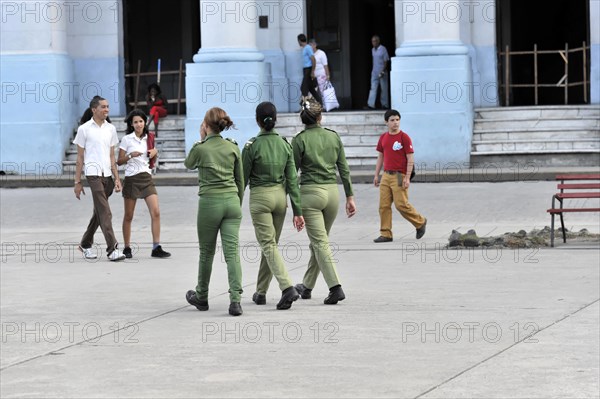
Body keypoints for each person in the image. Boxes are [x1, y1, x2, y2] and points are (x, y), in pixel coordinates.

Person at [292, 97, 357, 305]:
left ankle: (335, 287)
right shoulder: (333, 137)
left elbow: (292, 174)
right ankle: (307, 285)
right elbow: (344, 169)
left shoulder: (299, 140)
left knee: (320, 243)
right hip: (332, 195)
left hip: (310, 194)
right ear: (320, 117)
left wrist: (293, 203)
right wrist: (350, 196)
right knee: (320, 243)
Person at [242, 102, 305, 310]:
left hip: (260, 198)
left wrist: (234, 206)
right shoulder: (285, 145)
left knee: (268, 245)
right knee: (271, 247)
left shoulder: (251, 145)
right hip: (280, 198)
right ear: (275, 119)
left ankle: (287, 287)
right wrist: (298, 211)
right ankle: (260, 292)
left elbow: (241, 180)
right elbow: (293, 181)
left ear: (257, 120)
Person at [184, 107, 245, 317]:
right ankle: (235, 300)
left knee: (207, 252)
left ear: (206, 125)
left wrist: (201, 140)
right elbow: (240, 180)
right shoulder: (233, 147)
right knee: (232, 253)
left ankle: (202, 296)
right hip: (232, 202)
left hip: (210, 203)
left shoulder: (201, 148)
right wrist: (237, 202)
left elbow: (188, 163)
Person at [73, 96, 126, 261]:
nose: (107, 110)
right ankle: (112, 249)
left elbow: (112, 156)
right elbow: (80, 158)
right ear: (94, 109)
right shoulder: (84, 129)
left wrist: (117, 178)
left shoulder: (110, 129)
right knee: (105, 212)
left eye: (108, 106)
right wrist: (77, 182)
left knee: (99, 213)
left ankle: (85, 244)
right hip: (93, 174)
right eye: (103, 107)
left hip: (107, 176)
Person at [117, 110, 171, 259]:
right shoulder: (127, 139)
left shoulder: (150, 137)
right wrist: (130, 155)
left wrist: (155, 152)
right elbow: (119, 161)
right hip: (132, 179)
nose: (138, 124)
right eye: (135, 122)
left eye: (141, 121)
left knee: (156, 212)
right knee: (128, 216)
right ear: (131, 124)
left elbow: (152, 157)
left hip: (147, 178)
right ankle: (127, 248)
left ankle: (156, 247)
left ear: (145, 122)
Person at [373, 109, 427, 243]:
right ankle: (386, 234)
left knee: (401, 205)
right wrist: (376, 175)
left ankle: (420, 222)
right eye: (392, 120)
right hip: (386, 175)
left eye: (397, 120)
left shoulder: (404, 137)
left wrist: (407, 177)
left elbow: (410, 158)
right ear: (386, 122)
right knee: (383, 206)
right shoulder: (383, 138)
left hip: (399, 175)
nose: (395, 123)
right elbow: (380, 157)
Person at [297, 34, 322, 105]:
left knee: (303, 88)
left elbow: (313, 59)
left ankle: (304, 104)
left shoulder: (308, 48)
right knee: (310, 88)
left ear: (299, 40)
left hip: (308, 69)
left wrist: (312, 71)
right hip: (306, 69)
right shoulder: (305, 48)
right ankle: (320, 103)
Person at [366, 35, 390, 110]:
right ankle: (371, 104)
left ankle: (385, 104)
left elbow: (386, 60)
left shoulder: (383, 49)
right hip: (374, 72)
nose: (374, 43)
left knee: (383, 89)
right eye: (373, 41)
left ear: (378, 41)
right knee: (373, 88)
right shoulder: (373, 50)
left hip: (382, 72)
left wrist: (383, 70)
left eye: (375, 41)